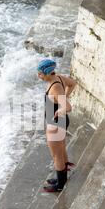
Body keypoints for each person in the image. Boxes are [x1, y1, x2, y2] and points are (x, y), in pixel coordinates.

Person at [37, 58, 76, 192]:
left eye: (40, 74)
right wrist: (65, 97)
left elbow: (68, 107)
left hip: (55, 124)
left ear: (47, 73)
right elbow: (73, 83)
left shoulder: (54, 88)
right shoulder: (58, 78)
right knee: (61, 149)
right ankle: (62, 177)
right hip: (61, 122)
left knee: (56, 155)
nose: (39, 76)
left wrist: (61, 108)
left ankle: (60, 185)